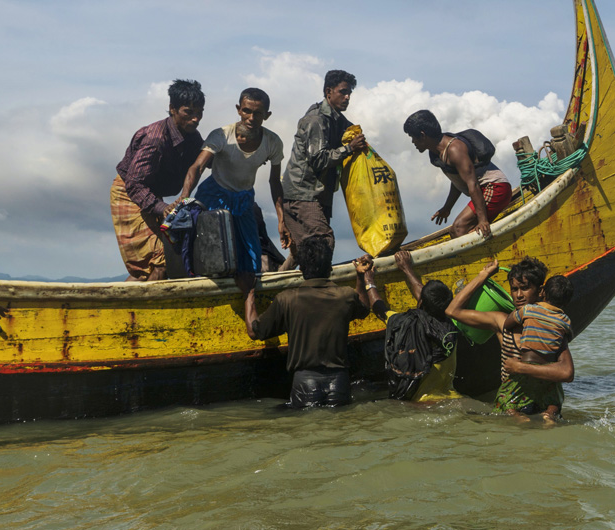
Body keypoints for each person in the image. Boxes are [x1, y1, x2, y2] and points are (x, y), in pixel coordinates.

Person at [240, 236, 371, 407]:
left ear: (301, 268)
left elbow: (254, 331)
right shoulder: (345, 295)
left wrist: (248, 293)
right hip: (340, 383)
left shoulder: (287, 300)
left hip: (305, 383)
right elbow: (364, 309)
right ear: (329, 266)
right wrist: (360, 277)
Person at [446, 257, 575, 418]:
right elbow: (452, 311)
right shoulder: (502, 322)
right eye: (514, 289)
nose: (519, 295)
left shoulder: (551, 327)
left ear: (540, 290)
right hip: (515, 403)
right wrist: (483, 275)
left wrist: (521, 368)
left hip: (543, 405)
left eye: (525, 288)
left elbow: (567, 373)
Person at [180, 88, 285, 278]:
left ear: (266, 115)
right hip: (214, 196)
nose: (251, 118)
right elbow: (197, 167)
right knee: (210, 251)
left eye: (258, 113)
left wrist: (281, 219)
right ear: (238, 109)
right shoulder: (221, 135)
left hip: (244, 199)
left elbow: (274, 181)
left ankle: (247, 296)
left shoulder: (272, 142)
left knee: (251, 258)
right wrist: (183, 197)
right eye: (246, 111)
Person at [111, 79, 205, 281]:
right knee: (159, 261)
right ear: (172, 109)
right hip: (129, 193)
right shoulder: (155, 140)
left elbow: (205, 159)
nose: (196, 119)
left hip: (153, 196)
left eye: (200, 113)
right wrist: (162, 208)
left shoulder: (192, 136)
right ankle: (137, 310)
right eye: (189, 112)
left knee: (170, 259)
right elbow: (135, 185)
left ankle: (130, 307)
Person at [280, 70, 369, 261]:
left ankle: (281, 281)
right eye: (343, 92)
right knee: (323, 241)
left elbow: (349, 133)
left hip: (319, 194)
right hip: (303, 193)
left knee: (302, 250)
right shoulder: (316, 120)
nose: (347, 98)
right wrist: (349, 148)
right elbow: (318, 159)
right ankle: (320, 286)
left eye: (349, 94)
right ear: (329, 91)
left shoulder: (338, 120)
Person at [363, 250, 461, 402]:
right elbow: (426, 298)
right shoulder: (452, 322)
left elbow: (380, 310)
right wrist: (407, 269)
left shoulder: (407, 324)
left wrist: (369, 281)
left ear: (421, 302)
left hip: (421, 404)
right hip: (452, 397)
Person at [403, 109, 512, 239]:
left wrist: (483, 220)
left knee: (459, 228)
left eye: (413, 137)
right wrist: (447, 208)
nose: (412, 142)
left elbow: (473, 184)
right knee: (458, 230)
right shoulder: (436, 152)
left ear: (422, 135)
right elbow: (458, 181)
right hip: (481, 190)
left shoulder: (455, 149)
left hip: (495, 187)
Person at [504, 274, 574, 419]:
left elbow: (507, 323)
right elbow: (568, 336)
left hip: (526, 366)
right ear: (567, 302)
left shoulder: (528, 310)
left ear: (542, 292)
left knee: (504, 401)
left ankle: (516, 416)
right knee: (554, 401)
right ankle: (550, 414)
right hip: (548, 370)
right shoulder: (565, 320)